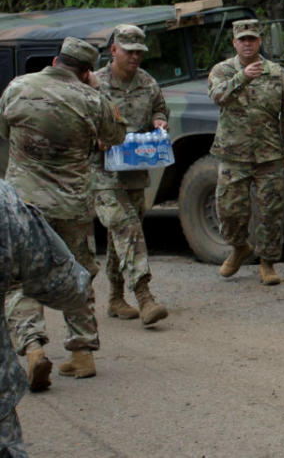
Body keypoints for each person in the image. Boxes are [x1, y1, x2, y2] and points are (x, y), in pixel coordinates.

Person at [1, 36, 125, 386]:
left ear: (56, 60)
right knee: (76, 274)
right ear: (86, 72)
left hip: (24, 204)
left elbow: (3, 132)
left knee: (18, 279)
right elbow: (116, 135)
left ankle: (33, 347)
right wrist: (99, 90)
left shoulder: (18, 87)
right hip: (72, 204)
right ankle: (82, 353)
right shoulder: (90, 98)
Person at [0, 180, 91, 457]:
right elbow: (68, 288)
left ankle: (31, 344)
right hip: (70, 200)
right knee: (24, 277)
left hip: (33, 187)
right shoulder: (5, 203)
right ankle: (83, 346)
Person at [208, 19, 284, 285]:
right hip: (233, 154)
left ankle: (268, 262)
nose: (247, 44)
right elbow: (216, 96)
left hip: (269, 154)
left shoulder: (275, 73)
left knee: (271, 213)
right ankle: (239, 248)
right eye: (242, 40)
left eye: (252, 39)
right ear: (235, 43)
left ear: (260, 41)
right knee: (228, 210)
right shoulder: (223, 70)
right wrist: (242, 77)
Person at [92, 24, 169, 326]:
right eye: (129, 51)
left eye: (139, 52)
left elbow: (160, 110)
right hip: (102, 174)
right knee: (126, 226)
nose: (135, 56)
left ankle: (114, 296)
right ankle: (144, 295)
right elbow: (77, 120)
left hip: (135, 170)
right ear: (114, 50)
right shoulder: (93, 83)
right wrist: (93, 137)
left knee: (121, 234)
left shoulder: (148, 83)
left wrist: (159, 122)